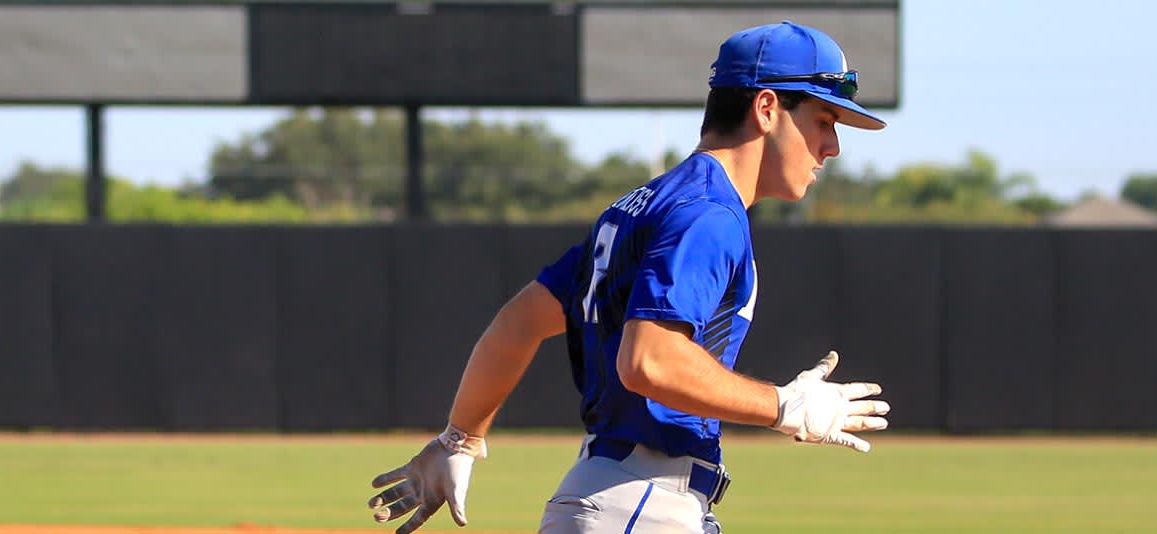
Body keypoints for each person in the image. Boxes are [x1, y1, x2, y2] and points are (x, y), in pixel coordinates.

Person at [366, 21, 892, 534]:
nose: (832, 147)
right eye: (824, 121)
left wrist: (460, 438)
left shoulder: (646, 206)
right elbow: (648, 361)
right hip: (640, 503)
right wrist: (784, 407)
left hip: (623, 497)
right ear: (767, 108)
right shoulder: (708, 213)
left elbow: (519, 322)